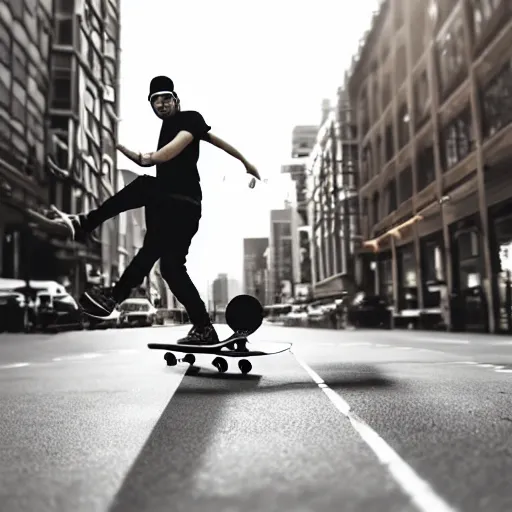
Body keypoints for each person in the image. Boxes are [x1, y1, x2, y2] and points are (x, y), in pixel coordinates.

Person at [59, 75, 260, 345]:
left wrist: (146, 158)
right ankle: (203, 328)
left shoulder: (190, 119)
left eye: (166, 99)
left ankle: (86, 227)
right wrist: (245, 161)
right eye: (155, 101)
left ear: (176, 100)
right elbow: (216, 140)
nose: (161, 105)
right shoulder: (171, 126)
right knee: (170, 268)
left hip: (183, 203)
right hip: (167, 207)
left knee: (143, 187)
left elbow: (171, 151)